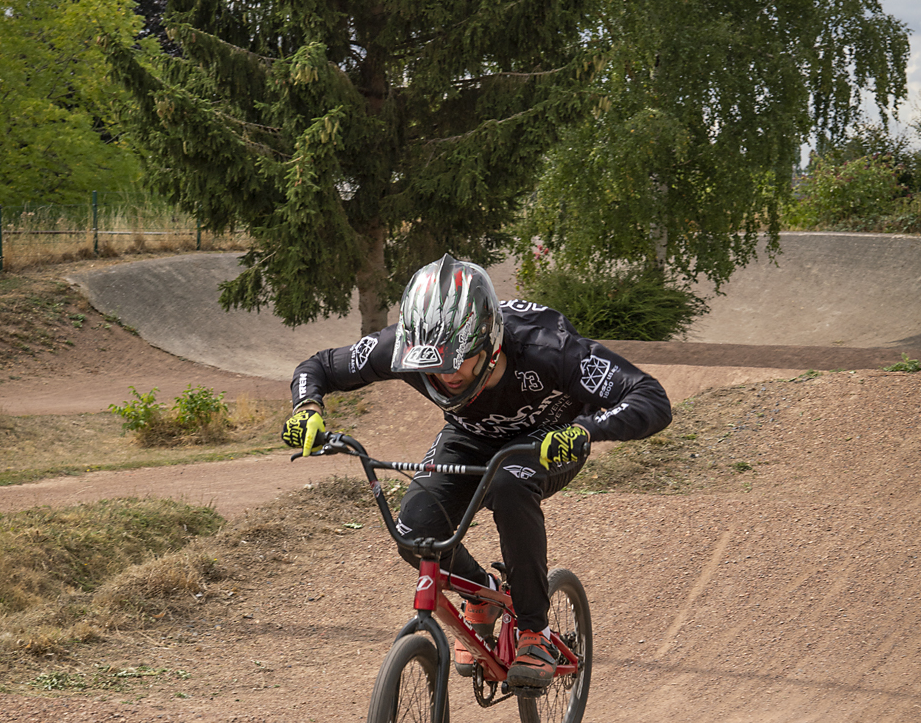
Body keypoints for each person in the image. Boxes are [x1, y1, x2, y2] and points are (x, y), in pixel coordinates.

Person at [283, 253, 672, 689]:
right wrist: (307, 408)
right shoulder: (403, 348)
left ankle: (535, 632)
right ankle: (480, 591)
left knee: (509, 484)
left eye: (458, 361)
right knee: (413, 533)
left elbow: (650, 397)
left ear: (490, 343)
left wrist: (585, 431)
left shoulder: (548, 347)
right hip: (469, 437)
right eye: (432, 365)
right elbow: (318, 367)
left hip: (550, 441)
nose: (445, 375)